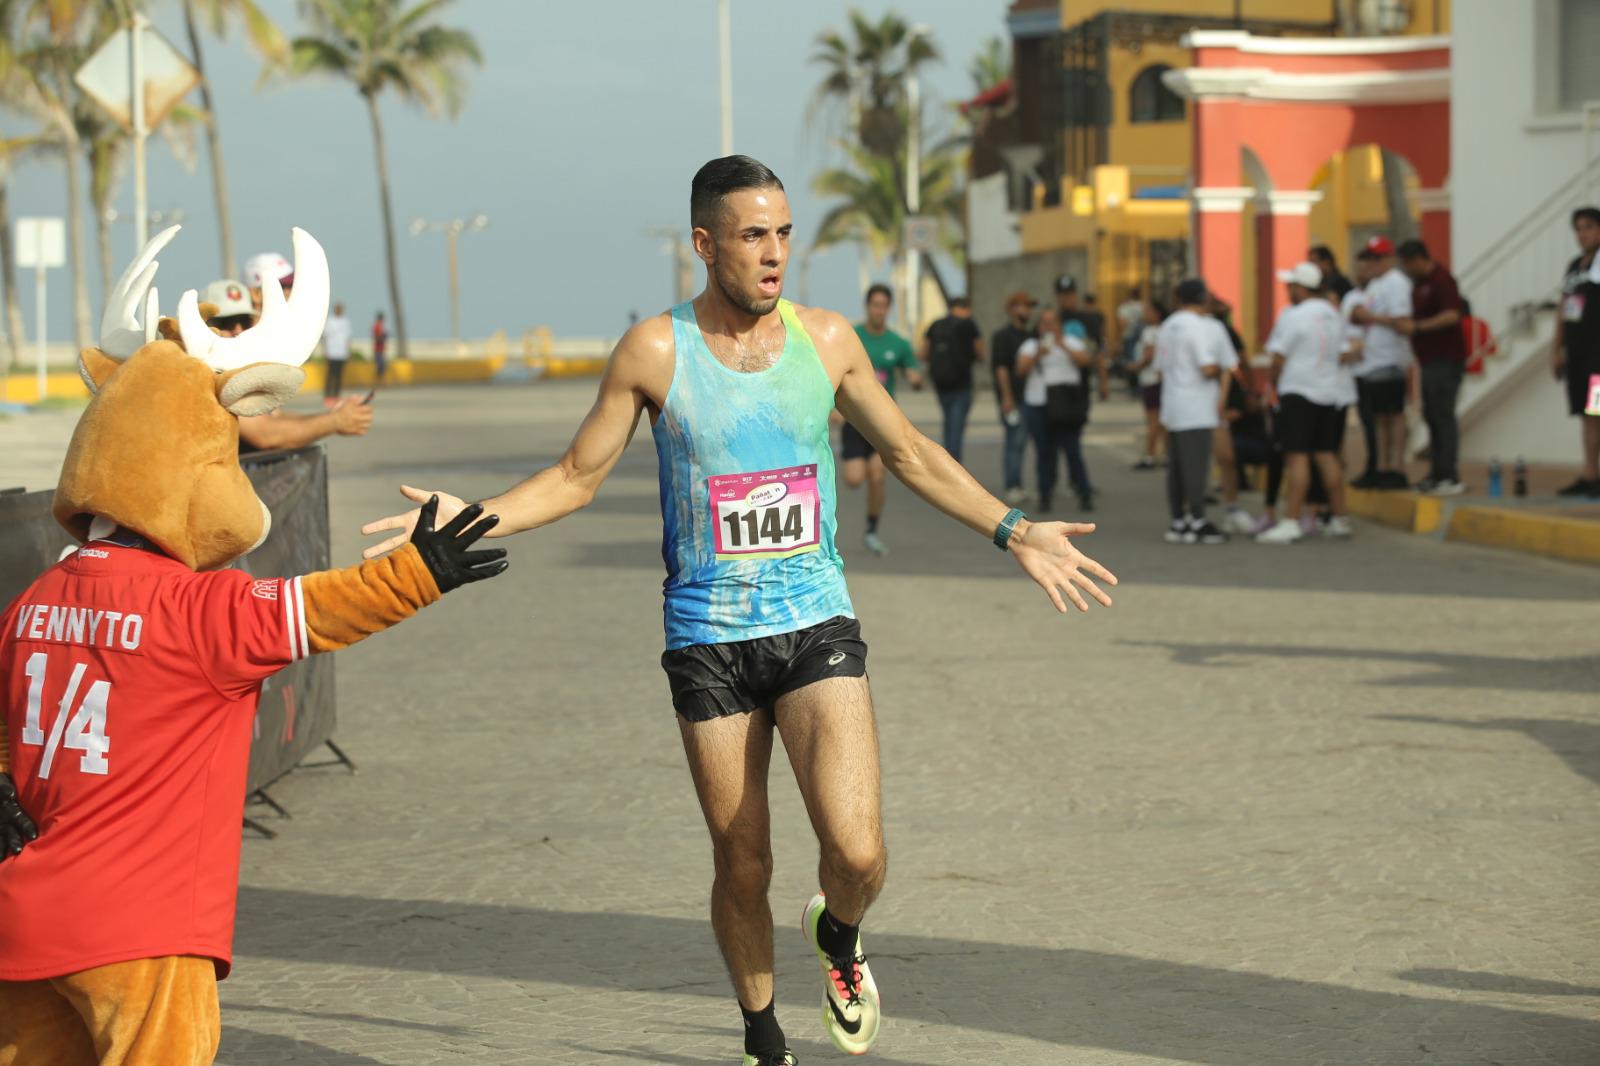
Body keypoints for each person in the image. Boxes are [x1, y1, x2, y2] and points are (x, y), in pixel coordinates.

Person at [357, 155, 1117, 1066]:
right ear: (705, 243)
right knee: (742, 861)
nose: (774, 255)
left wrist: (1015, 529)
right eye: (754, 236)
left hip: (815, 621)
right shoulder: (654, 350)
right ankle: (764, 1038)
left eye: (785, 233)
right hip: (708, 638)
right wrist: (461, 517)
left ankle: (838, 934)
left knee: (860, 852)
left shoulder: (829, 339)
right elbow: (574, 478)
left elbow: (910, 452)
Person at [201, 279, 374, 452]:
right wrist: (335, 421)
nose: (238, 330)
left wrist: (333, 415)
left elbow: (275, 418)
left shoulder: (236, 372)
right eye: (225, 322)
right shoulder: (210, 376)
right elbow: (267, 435)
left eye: (244, 321)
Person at [1256, 262, 1355, 543]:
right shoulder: (1333, 316)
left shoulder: (1293, 316)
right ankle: (1340, 518)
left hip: (1298, 391)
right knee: (1326, 454)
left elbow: (1277, 357)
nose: (1288, 291)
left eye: (1291, 286)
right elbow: (1345, 352)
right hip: (1327, 392)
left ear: (1301, 288)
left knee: (1296, 456)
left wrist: (1271, 387)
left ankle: (1291, 521)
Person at [844, 284, 922, 555]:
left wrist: (915, 378)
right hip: (854, 420)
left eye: (883, 305)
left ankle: (871, 530)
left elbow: (913, 369)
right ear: (868, 307)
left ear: (888, 309)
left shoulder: (897, 343)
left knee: (877, 477)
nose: (878, 310)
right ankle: (861, 468)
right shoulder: (853, 336)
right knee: (854, 479)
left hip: (882, 422)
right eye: (874, 304)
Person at [1156, 278, 1231, 544]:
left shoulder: (1167, 326)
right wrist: (1220, 370)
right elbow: (1207, 367)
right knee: (1196, 467)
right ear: (1202, 299)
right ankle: (1198, 520)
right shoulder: (1197, 326)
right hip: (1196, 407)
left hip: (1173, 405)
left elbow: (1160, 367)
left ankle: (1178, 521)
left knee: (1176, 467)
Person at [1392, 239, 1467, 495]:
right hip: (1428, 360)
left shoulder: (1442, 280)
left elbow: (1452, 315)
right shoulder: (1420, 284)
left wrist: (1418, 327)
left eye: (1406, 264)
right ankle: (1438, 472)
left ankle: (1449, 475)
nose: (1405, 269)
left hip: (1445, 359)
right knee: (1432, 415)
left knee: (1443, 415)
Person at [1349, 237, 1413, 489]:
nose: (1372, 263)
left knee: (1393, 415)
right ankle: (1383, 465)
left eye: (1377, 258)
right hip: (1371, 361)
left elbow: (1402, 322)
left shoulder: (1396, 284)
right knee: (1379, 418)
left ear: (1389, 258)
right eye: (1369, 258)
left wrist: (1370, 317)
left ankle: (1397, 466)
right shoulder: (1376, 284)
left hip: (1389, 359)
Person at [1017, 307, 1096, 512]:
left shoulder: (1072, 342)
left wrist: (1062, 345)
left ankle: (1084, 492)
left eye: (1052, 322)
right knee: (1044, 453)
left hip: (1066, 406)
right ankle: (1045, 494)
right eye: (1044, 322)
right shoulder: (1030, 345)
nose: (1048, 327)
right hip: (1038, 404)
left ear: (1060, 325)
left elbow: (1086, 361)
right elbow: (1020, 370)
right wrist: (1038, 354)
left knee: (1073, 451)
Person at [1554, 205, 1600, 497]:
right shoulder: (1574, 266)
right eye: (1578, 229)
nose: (1582, 234)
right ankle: (1589, 472)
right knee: (1586, 414)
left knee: (1597, 411)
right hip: (1577, 355)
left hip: (1599, 356)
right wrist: (1557, 347)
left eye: (1588, 227)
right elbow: (1564, 308)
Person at [1205, 294, 1254, 535]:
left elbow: (1234, 365)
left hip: (1220, 406)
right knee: (1193, 459)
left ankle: (1232, 508)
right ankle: (1189, 514)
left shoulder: (1222, 330)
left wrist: (1241, 394)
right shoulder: (1182, 328)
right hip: (1190, 408)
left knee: (1227, 457)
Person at [921, 296, 985, 463]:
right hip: (962, 384)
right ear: (965, 308)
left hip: (941, 384)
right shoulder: (969, 324)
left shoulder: (935, 324)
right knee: (955, 432)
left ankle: (948, 462)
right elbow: (981, 352)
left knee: (949, 424)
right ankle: (952, 469)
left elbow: (923, 353)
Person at [990, 291, 1037, 504]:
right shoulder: (1002, 337)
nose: (1026, 310)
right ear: (1011, 310)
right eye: (1022, 306)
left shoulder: (1030, 336)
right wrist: (1007, 397)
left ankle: (1019, 484)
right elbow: (1001, 368)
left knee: (1024, 442)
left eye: (1029, 306)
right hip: (1013, 398)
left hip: (1033, 397)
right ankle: (1012, 485)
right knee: (1014, 442)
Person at [1054, 274, 1111, 402]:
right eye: (1062, 295)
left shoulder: (1088, 319)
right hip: (1056, 380)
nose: (1066, 298)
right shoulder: (1053, 320)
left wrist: (1103, 381)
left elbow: (1098, 351)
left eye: (1069, 294)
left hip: (1082, 379)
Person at [1130, 298, 1166, 470]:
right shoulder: (1165, 330)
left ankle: (1150, 456)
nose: (1144, 314)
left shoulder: (1150, 331)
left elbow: (1149, 355)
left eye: (1147, 310)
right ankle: (1166, 454)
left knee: (1153, 420)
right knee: (1162, 421)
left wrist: (1135, 366)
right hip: (1161, 380)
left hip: (1151, 379)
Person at [322, 301, 354, 405]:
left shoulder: (346, 321)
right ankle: (328, 395)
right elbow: (325, 337)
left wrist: (348, 351)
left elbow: (348, 338)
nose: (339, 310)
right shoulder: (330, 321)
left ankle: (336, 395)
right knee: (330, 375)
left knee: (339, 376)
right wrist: (326, 351)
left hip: (342, 353)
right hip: (332, 352)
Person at [372, 311, 389, 383]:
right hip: (377, 349)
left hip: (381, 348)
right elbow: (377, 337)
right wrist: (383, 336)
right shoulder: (376, 326)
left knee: (383, 365)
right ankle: (380, 381)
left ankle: (381, 381)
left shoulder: (381, 326)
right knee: (381, 365)